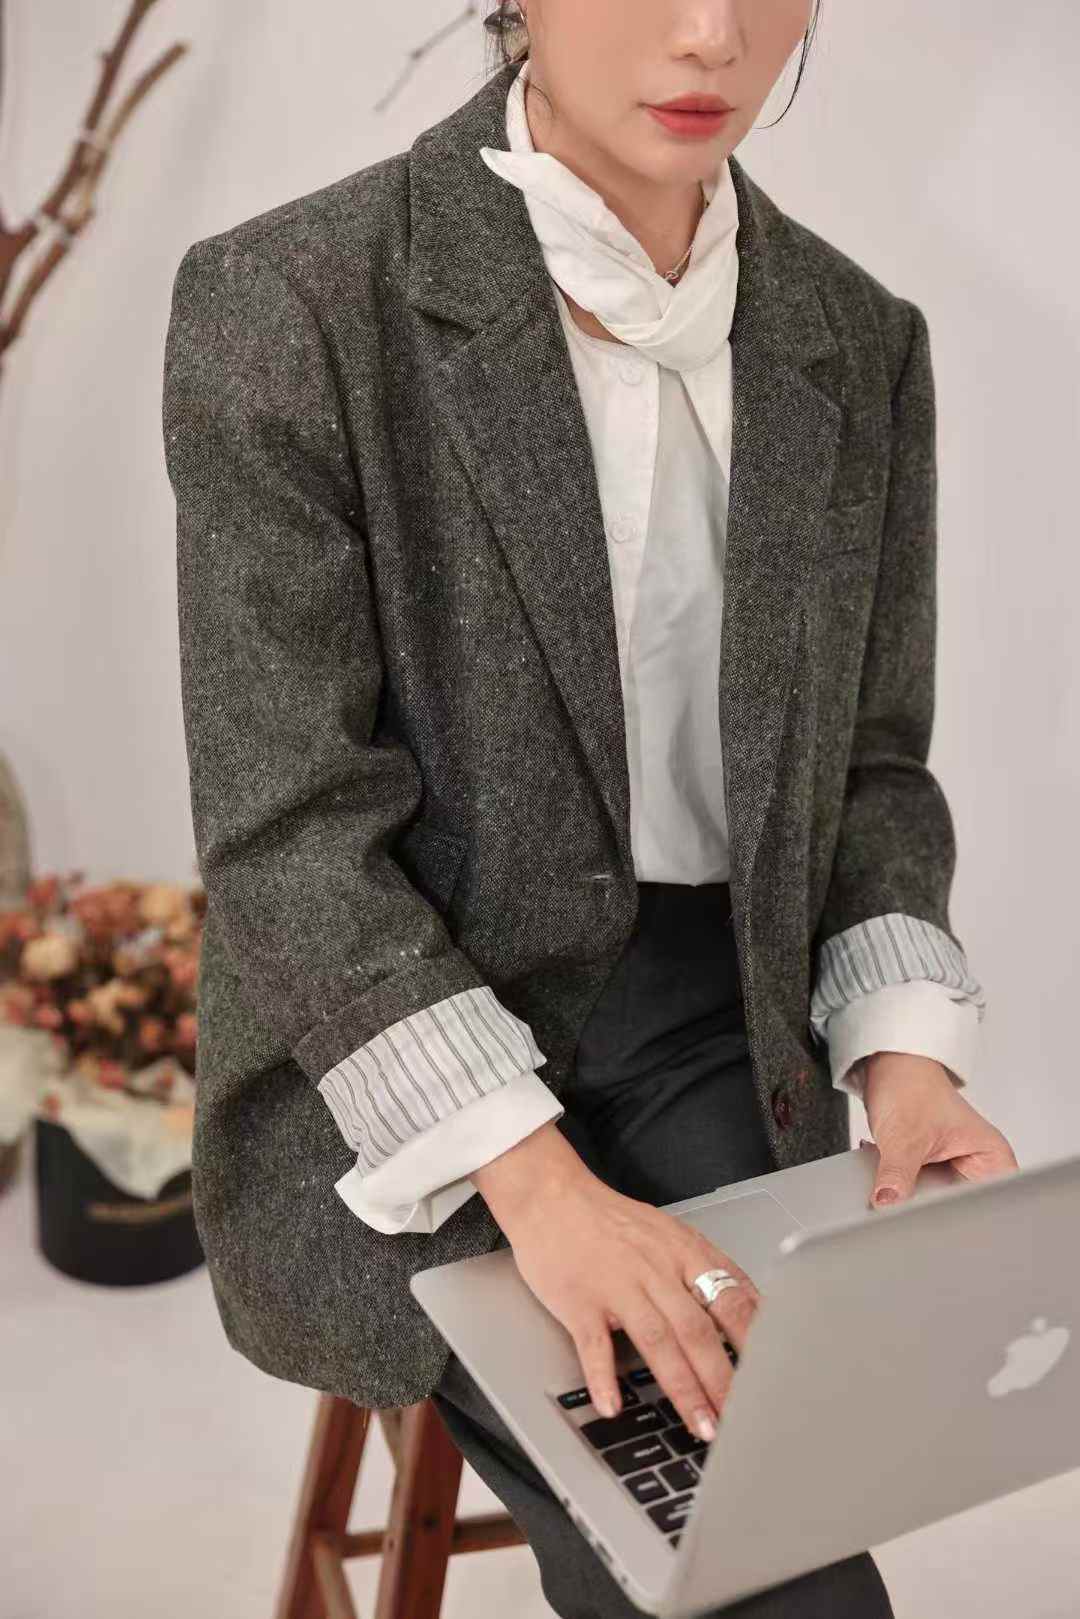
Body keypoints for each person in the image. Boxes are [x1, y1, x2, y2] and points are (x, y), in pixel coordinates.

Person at [162, 3, 1019, 1614]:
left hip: (714, 1021)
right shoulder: (295, 301)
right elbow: (288, 824)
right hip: (402, 1042)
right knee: (751, 1575)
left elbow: (871, 765)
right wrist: (542, 1192)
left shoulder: (855, 337)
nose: (709, 37)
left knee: (774, 1560)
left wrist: (906, 1060)